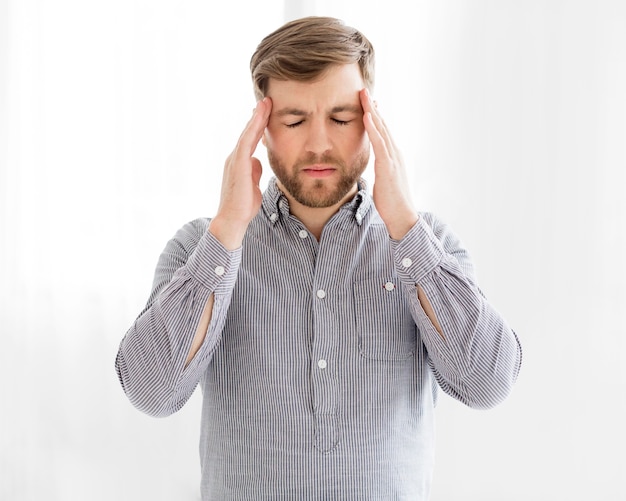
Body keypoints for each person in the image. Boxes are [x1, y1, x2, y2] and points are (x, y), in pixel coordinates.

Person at [115, 16, 522, 500]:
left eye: (341, 118)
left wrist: (406, 230)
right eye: (293, 120)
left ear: (373, 121)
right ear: (261, 127)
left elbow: (487, 385)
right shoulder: (199, 249)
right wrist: (225, 234)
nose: (318, 143)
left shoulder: (428, 244)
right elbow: (151, 393)